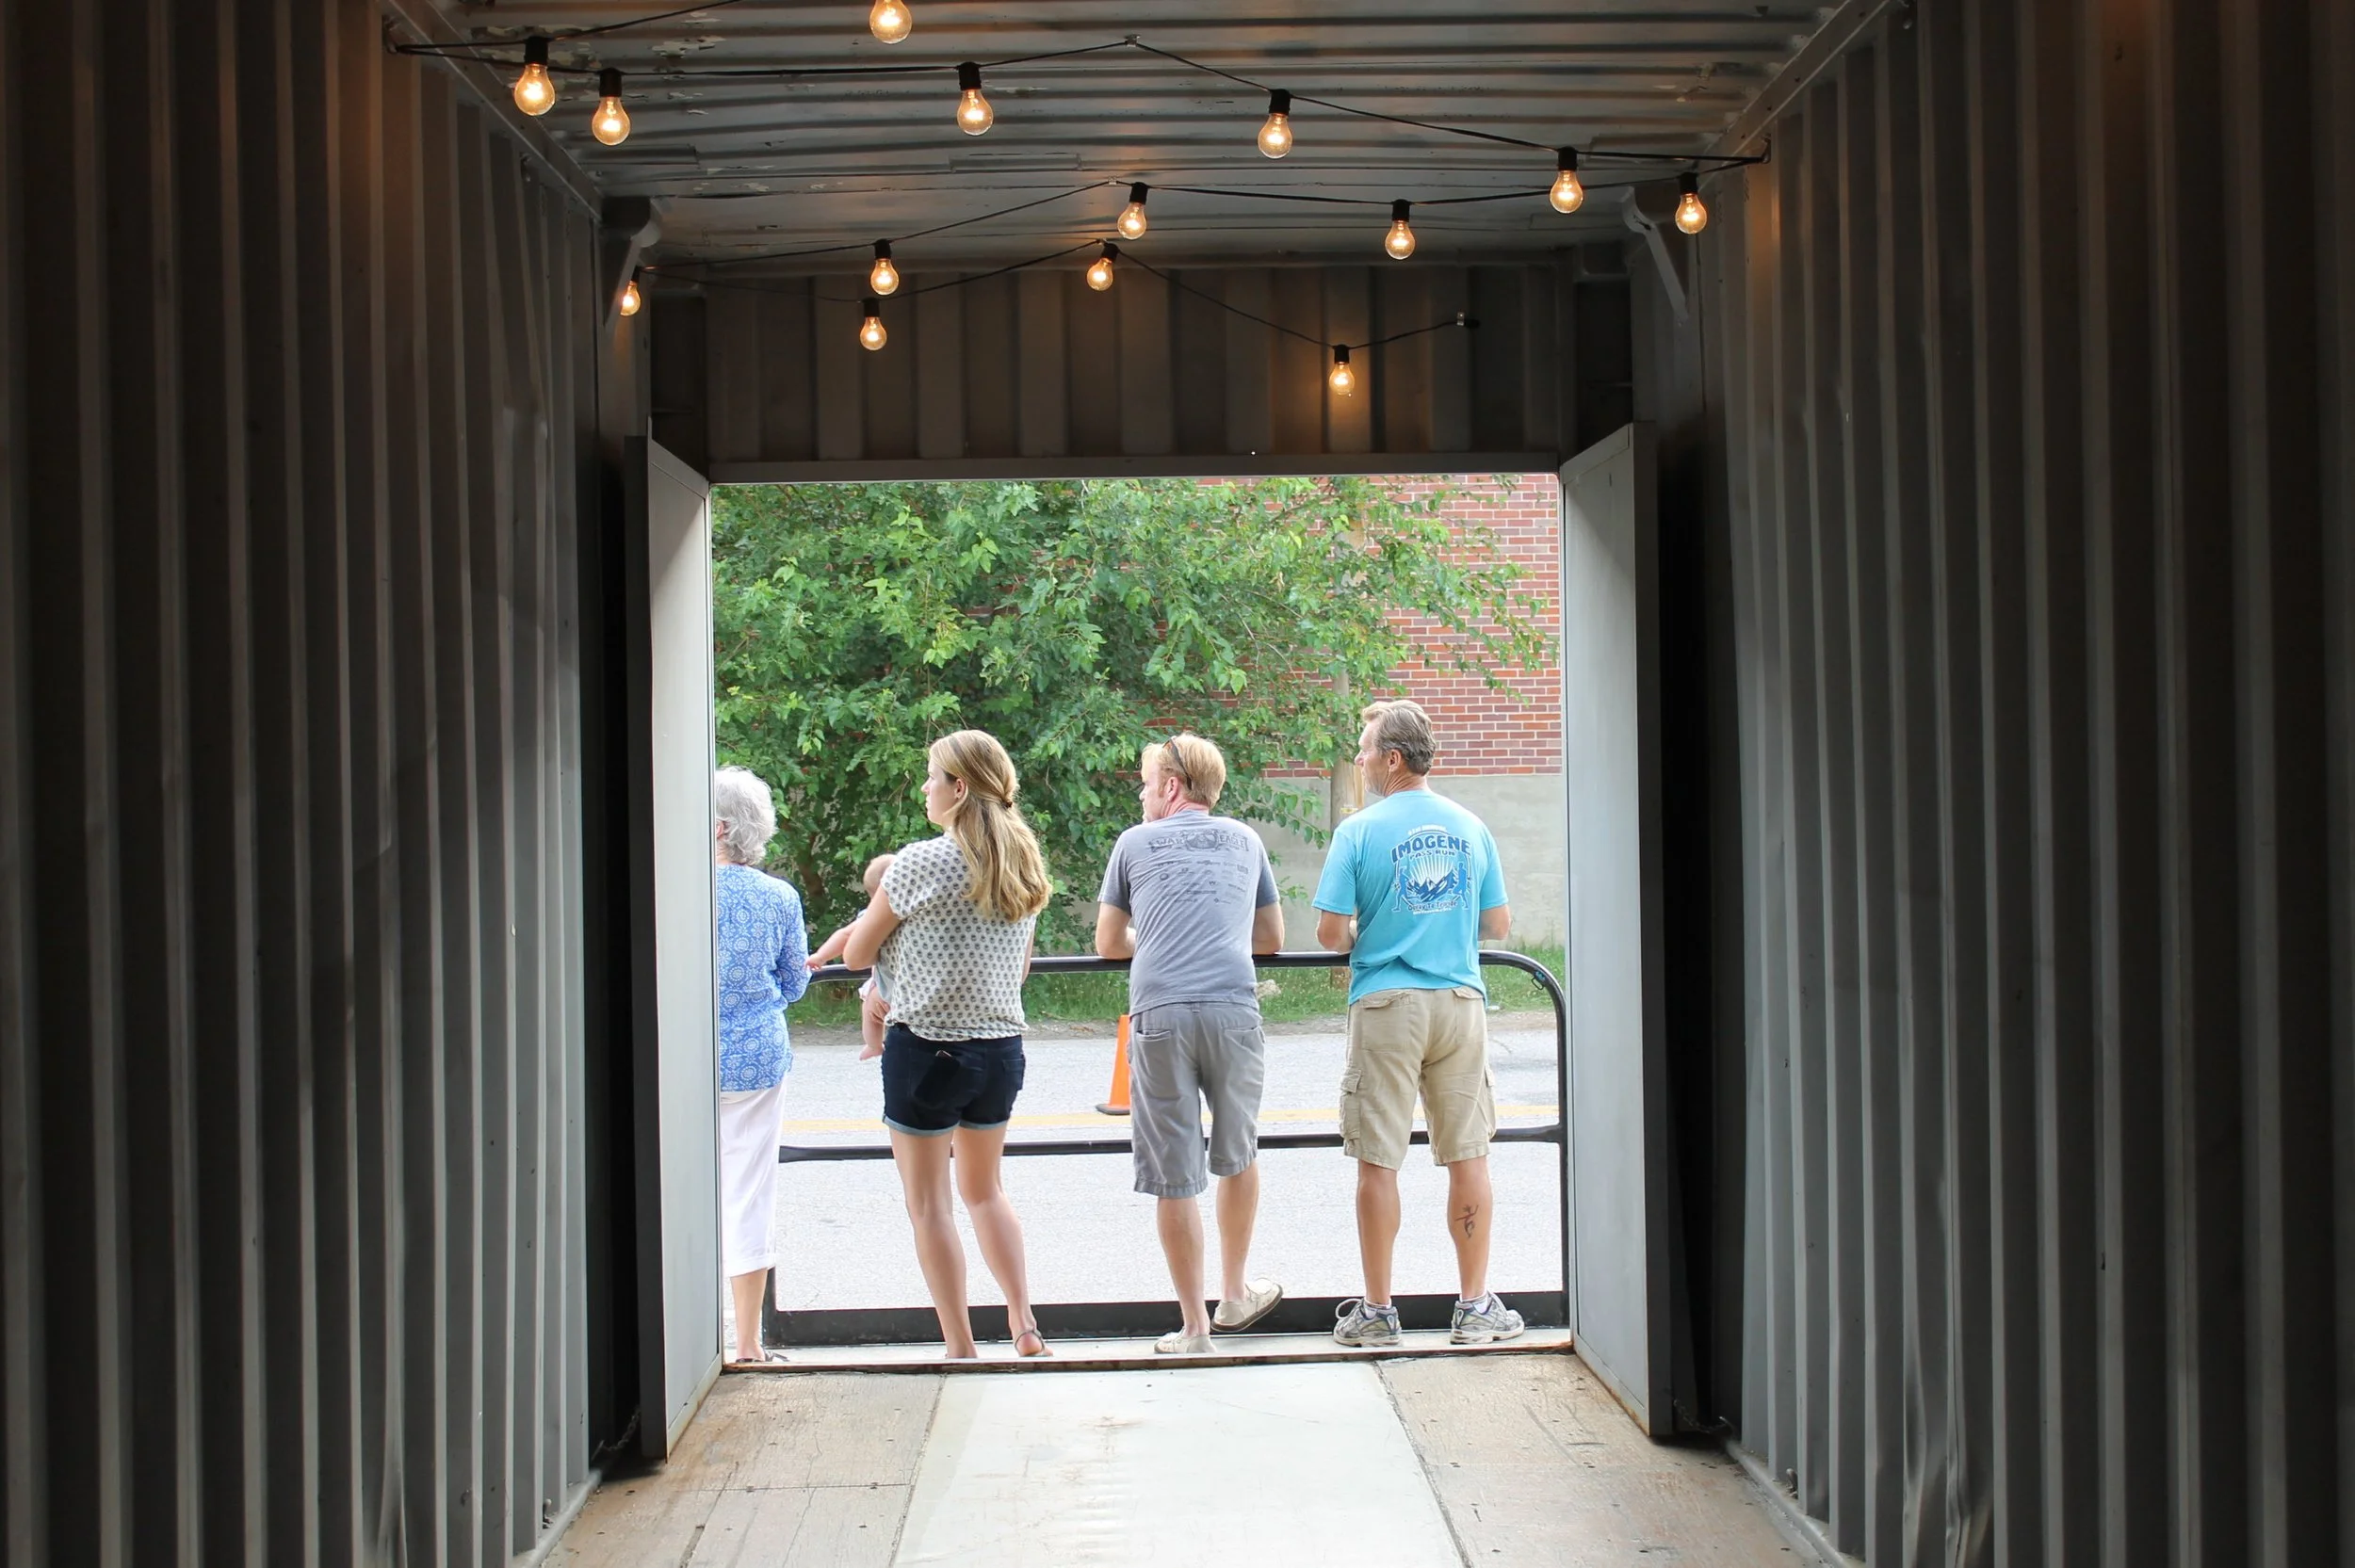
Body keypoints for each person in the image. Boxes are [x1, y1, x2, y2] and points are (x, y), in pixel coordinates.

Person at [833, 731, 1055, 1359]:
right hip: (1000, 1049)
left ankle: (960, 1344)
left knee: (929, 1204)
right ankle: (1023, 1321)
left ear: (960, 787)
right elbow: (1018, 970)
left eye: (932, 777)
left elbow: (855, 953)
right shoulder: (1023, 865)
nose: (925, 787)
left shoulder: (918, 862)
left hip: (926, 1048)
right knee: (986, 1190)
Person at [1312, 699, 1522, 1347]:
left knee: (1379, 1159)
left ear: (1393, 759)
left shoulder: (1358, 831)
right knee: (1469, 1154)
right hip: (1458, 1004)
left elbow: (1327, 933)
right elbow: (1498, 924)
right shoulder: (1471, 826)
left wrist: (1366, 928)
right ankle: (1475, 1306)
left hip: (1385, 1006)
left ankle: (1377, 1312)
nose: (1360, 758)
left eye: (1366, 747)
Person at [1095, 734, 1288, 1353]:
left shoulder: (1133, 843)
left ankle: (1195, 1327)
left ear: (1172, 786)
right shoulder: (1247, 840)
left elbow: (1107, 944)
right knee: (1238, 1150)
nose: (1142, 791)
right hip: (1233, 1006)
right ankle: (1233, 1292)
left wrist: (1150, 935)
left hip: (1161, 1014)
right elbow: (1272, 937)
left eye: (1147, 781)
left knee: (1174, 1171)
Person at [711, 766, 810, 1366]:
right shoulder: (779, 898)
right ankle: (747, 1343)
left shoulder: (675, 889)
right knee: (749, 1195)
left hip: (684, 1063)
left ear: (718, 828)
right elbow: (795, 984)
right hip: (755, 1064)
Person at [809, 852, 895, 1060]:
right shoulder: (916, 910)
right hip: (915, 991)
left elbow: (846, 935)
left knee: (870, 1011)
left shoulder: (874, 915)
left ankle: (874, 1045)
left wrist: (821, 956)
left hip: (886, 990)